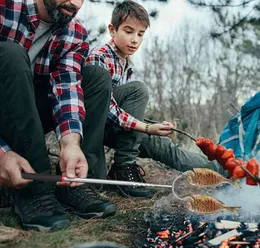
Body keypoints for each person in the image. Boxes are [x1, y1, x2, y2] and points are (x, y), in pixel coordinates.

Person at [85, 0, 225, 198]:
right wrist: (146, 127)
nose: (135, 40)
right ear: (112, 30)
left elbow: (126, 112)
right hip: (93, 127)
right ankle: (123, 167)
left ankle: (225, 172)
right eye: (128, 31)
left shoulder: (126, 64)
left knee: (165, 147)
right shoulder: (99, 57)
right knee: (139, 90)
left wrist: (153, 127)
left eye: (140, 34)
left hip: (117, 129)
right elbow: (106, 108)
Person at [0, 0, 119, 232]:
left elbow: (67, 86)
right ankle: (35, 189)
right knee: (11, 55)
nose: (74, 3)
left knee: (95, 77)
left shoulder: (75, 33)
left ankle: (75, 180)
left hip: (30, 113)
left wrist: (71, 143)